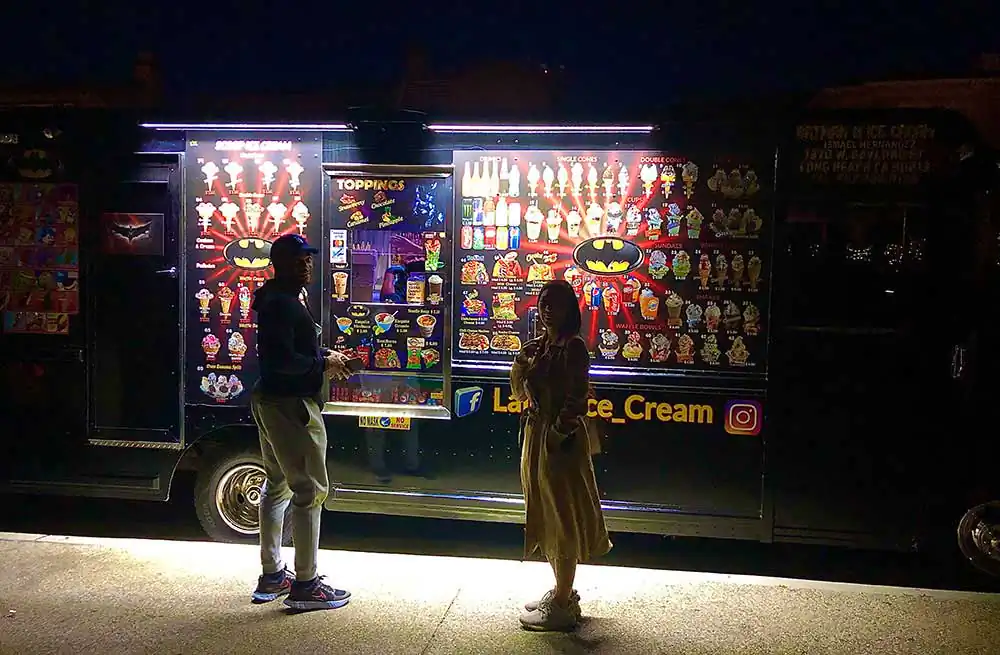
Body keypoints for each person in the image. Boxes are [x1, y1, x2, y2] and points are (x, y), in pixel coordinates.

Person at [249, 233, 354, 611]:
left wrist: (325, 355)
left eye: (308, 259)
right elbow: (282, 362)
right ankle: (306, 584)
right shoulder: (283, 303)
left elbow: (290, 350)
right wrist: (322, 364)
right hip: (290, 405)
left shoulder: (278, 298)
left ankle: (273, 573)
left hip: (271, 400)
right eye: (299, 260)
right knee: (310, 491)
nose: (307, 265)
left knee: (276, 485)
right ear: (280, 264)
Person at [511, 279, 612, 631]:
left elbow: (577, 401)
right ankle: (561, 592)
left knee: (562, 517)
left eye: (556, 303)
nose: (547, 309)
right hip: (538, 438)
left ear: (570, 309)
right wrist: (522, 362)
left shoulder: (574, 347)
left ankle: (562, 604)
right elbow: (522, 390)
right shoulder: (542, 345)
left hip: (559, 444)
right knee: (545, 513)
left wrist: (555, 435)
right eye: (543, 302)